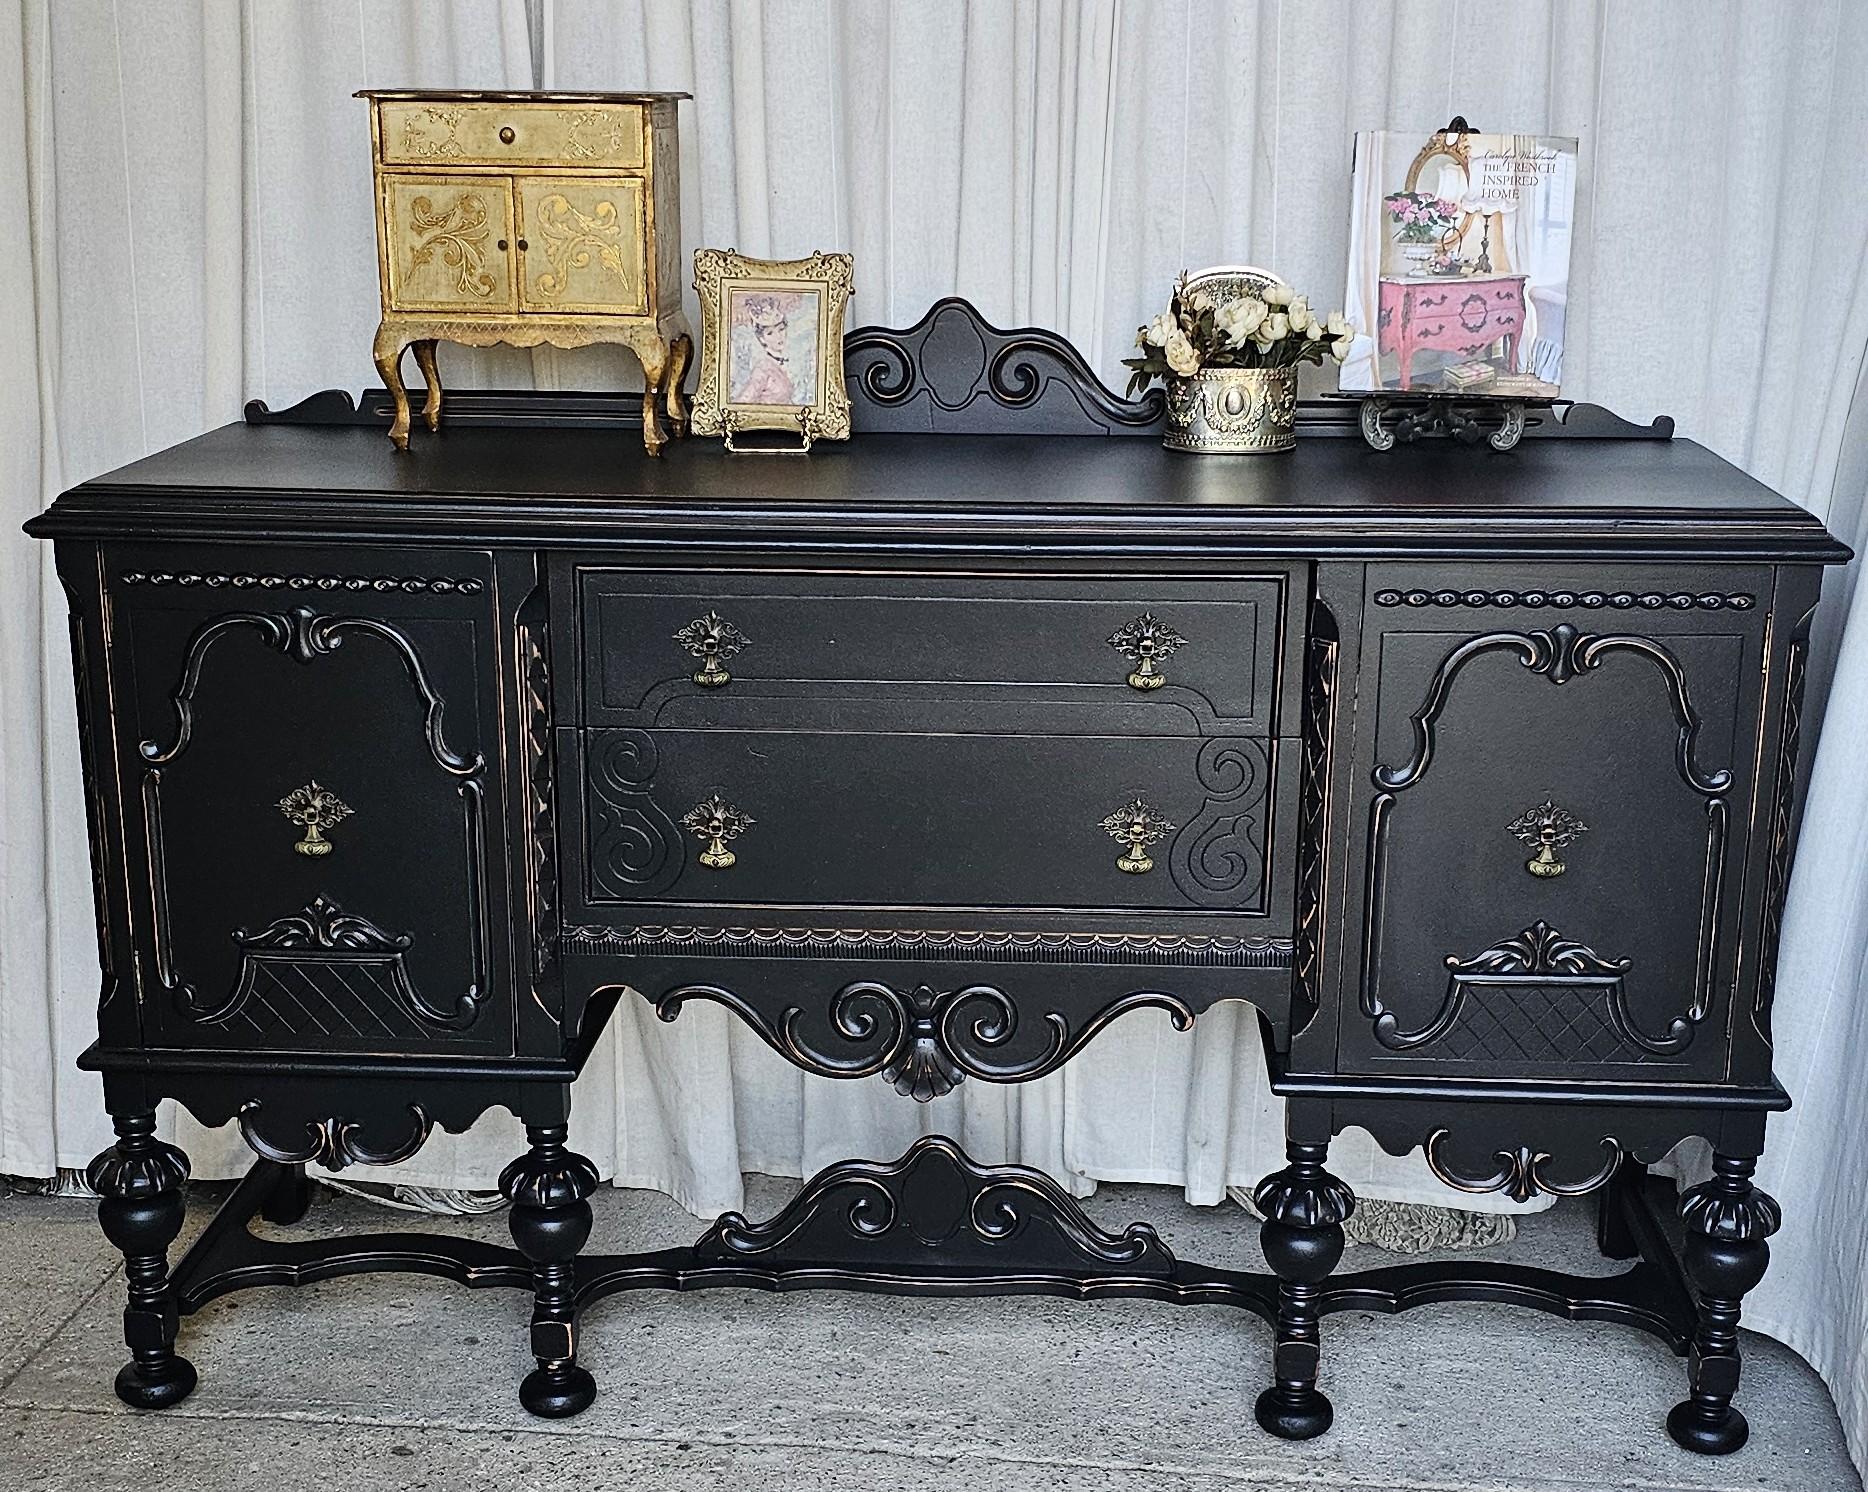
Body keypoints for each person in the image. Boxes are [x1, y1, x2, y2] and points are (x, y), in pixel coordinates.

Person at [731, 294, 798, 405]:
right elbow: (743, 402)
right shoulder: (763, 369)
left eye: (781, 329)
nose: (778, 336)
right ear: (762, 339)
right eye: (770, 333)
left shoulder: (782, 363)